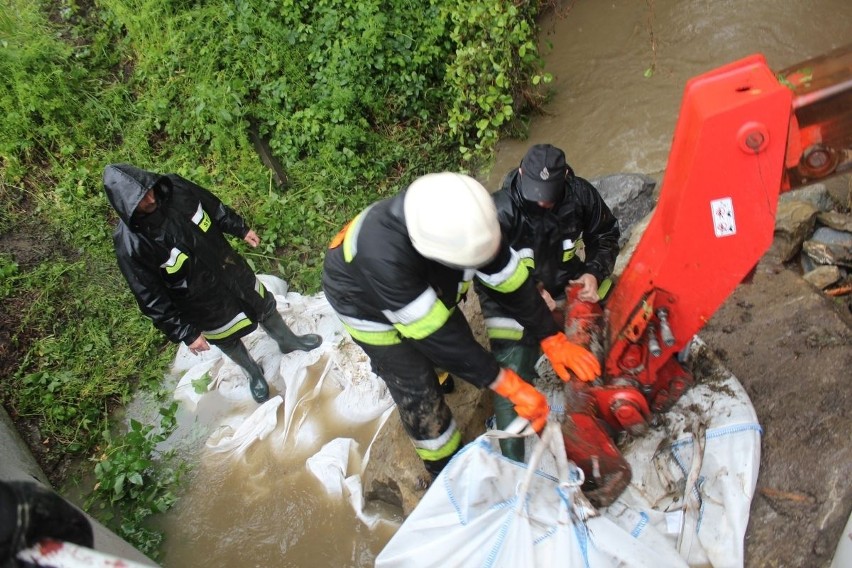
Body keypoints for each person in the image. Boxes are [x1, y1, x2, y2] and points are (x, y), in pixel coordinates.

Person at [321, 172, 601, 477]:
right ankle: (447, 470)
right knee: (416, 384)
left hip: (421, 278)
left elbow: (511, 282)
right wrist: (507, 384)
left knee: (454, 335)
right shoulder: (386, 257)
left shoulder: (466, 216)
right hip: (361, 301)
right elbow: (439, 336)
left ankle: (447, 373)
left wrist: (551, 337)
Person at [103, 164, 322, 403]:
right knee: (225, 336)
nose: (150, 197)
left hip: (229, 266)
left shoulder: (176, 187)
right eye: (141, 200)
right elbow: (150, 297)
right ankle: (252, 371)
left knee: (263, 304)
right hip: (198, 298)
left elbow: (212, 206)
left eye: (149, 190)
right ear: (127, 208)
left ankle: (288, 341)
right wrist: (186, 333)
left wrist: (240, 228)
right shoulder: (130, 244)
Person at [477, 143, 620, 461]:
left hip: (565, 283)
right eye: (535, 192)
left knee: (617, 311)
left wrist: (594, 273)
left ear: (566, 178)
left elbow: (606, 235)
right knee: (513, 369)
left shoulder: (580, 195)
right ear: (521, 174)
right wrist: (528, 295)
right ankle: (512, 463)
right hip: (511, 298)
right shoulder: (499, 211)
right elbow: (485, 273)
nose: (542, 200)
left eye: (549, 194)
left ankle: (605, 394)